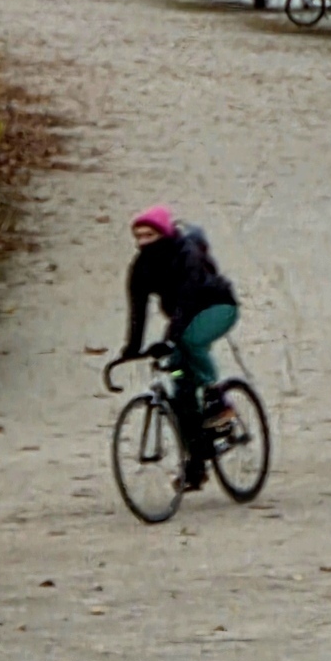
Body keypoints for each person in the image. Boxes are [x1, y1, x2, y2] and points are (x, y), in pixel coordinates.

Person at [121, 205, 239, 487]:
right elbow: (138, 309)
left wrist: (170, 338)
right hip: (180, 320)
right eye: (138, 236)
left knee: (190, 341)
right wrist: (132, 347)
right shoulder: (140, 268)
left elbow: (187, 300)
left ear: (163, 233)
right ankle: (196, 461)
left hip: (215, 308)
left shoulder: (187, 255)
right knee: (180, 386)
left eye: (149, 235)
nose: (143, 242)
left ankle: (215, 395)